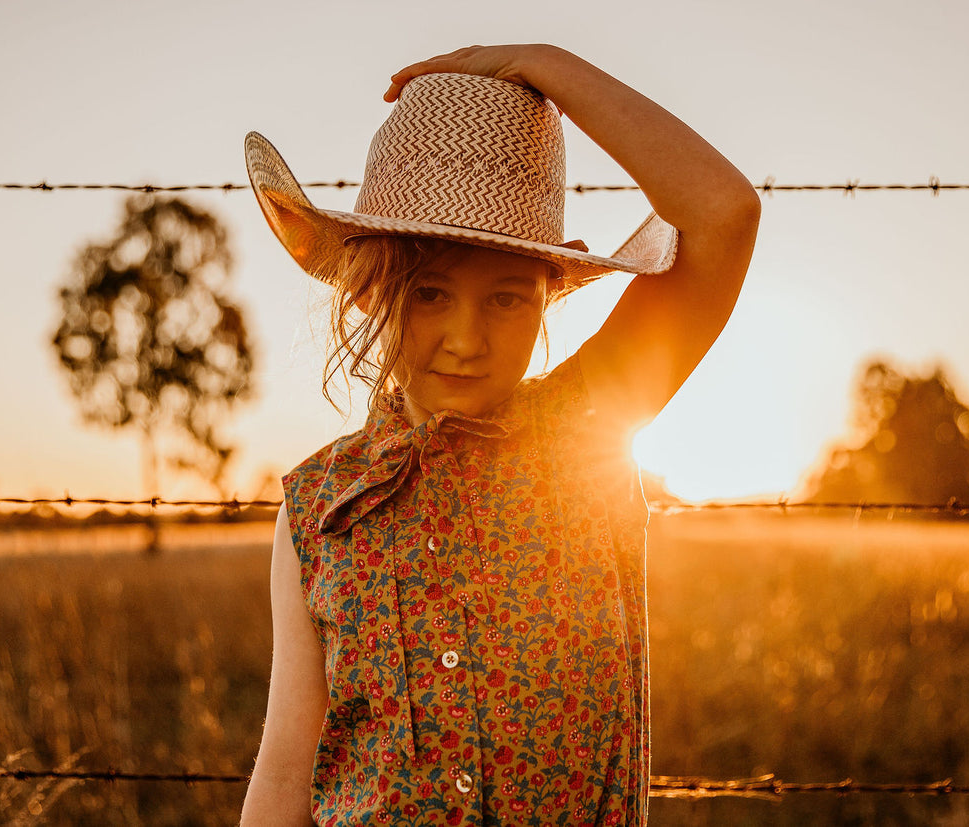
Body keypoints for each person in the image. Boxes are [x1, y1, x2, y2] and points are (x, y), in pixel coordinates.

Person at [238, 44, 760, 827]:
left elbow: (724, 213)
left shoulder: (587, 426)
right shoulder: (318, 504)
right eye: (430, 292)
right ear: (372, 286)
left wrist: (544, 63)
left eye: (507, 299)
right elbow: (287, 768)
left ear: (551, 292)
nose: (465, 338)